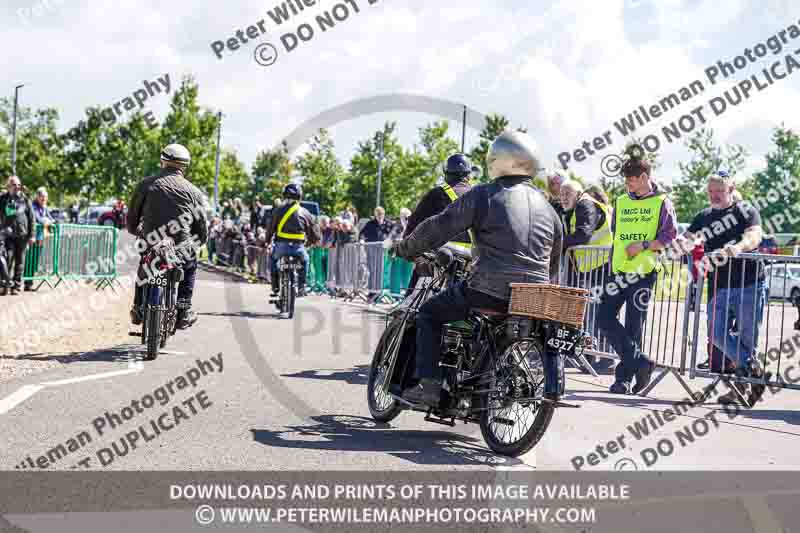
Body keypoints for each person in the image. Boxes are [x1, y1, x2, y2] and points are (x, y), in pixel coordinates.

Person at [393, 131, 564, 406]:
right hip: (533, 295)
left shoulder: (485, 194)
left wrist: (406, 248)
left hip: (488, 288)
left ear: (496, 159)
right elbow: (554, 258)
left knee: (428, 314)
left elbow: (440, 225)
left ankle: (430, 386)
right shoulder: (549, 208)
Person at [596, 151, 678, 395]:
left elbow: (670, 235)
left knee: (634, 325)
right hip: (619, 270)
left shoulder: (662, 201)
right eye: (625, 179)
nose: (627, 183)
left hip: (644, 272)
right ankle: (641, 361)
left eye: (631, 179)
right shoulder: (621, 201)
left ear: (643, 177)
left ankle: (623, 379)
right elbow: (616, 233)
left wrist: (642, 245)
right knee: (603, 318)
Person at [684, 171, 766, 405]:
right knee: (717, 335)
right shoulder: (704, 216)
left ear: (731, 190)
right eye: (710, 191)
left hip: (749, 284)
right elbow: (686, 239)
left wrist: (737, 248)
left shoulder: (746, 211)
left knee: (748, 339)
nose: (714, 196)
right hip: (719, 286)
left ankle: (742, 387)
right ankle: (754, 371)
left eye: (719, 191)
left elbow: (754, 236)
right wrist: (671, 248)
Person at [126, 143, 208, 330]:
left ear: (162, 161)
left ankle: (138, 308)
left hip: (151, 242)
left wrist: (137, 231)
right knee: (191, 266)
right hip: (180, 247)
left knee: (144, 264)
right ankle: (183, 311)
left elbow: (132, 218)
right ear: (184, 166)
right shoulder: (194, 192)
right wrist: (198, 241)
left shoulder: (146, 184)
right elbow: (201, 228)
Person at [404, 153, 476, 292]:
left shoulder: (436, 194)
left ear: (446, 172)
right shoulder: (480, 194)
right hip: (474, 259)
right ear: (469, 174)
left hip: (444, 256)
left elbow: (414, 223)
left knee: (416, 288)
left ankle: (406, 305)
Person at [265, 184, 321, 298]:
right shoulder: (305, 212)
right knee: (305, 260)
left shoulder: (278, 210)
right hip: (298, 247)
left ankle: (275, 286)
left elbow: (271, 227)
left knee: (273, 259)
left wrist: (267, 241)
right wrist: (311, 242)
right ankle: (301, 286)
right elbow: (314, 231)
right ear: (300, 196)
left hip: (281, 246)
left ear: (284, 195)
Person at [560, 180, 611, 285]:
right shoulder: (581, 206)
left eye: (568, 193)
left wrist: (557, 242)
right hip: (597, 265)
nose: (564, 198)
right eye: (561, 194)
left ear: (578, 194)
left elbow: (583, 235)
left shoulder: (585, 204)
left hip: (599, 265)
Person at [0, 176, 34, 295]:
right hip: (8, 235)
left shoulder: (24, 199)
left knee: (20, 262)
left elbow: (31, 218)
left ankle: (16, 286)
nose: (17, 187)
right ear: (8, 186)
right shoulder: (3, 199)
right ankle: (4, 285)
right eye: (14, 184)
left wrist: (32, 235)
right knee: (7, 260)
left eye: (18, 185)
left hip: (22, 235)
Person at [27, 187, 55, 291]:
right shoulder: (33, 205)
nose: (44, 199)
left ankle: (29, 283)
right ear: (37, 196)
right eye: (42, 197)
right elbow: (36, 218)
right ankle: (26, 283)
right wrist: (45, 221)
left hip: (41, 237)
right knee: (29, 260)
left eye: (45, 197)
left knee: (35, 261)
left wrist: (51, 221)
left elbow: (51, 218)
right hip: (32, 237)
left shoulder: (45, 207)